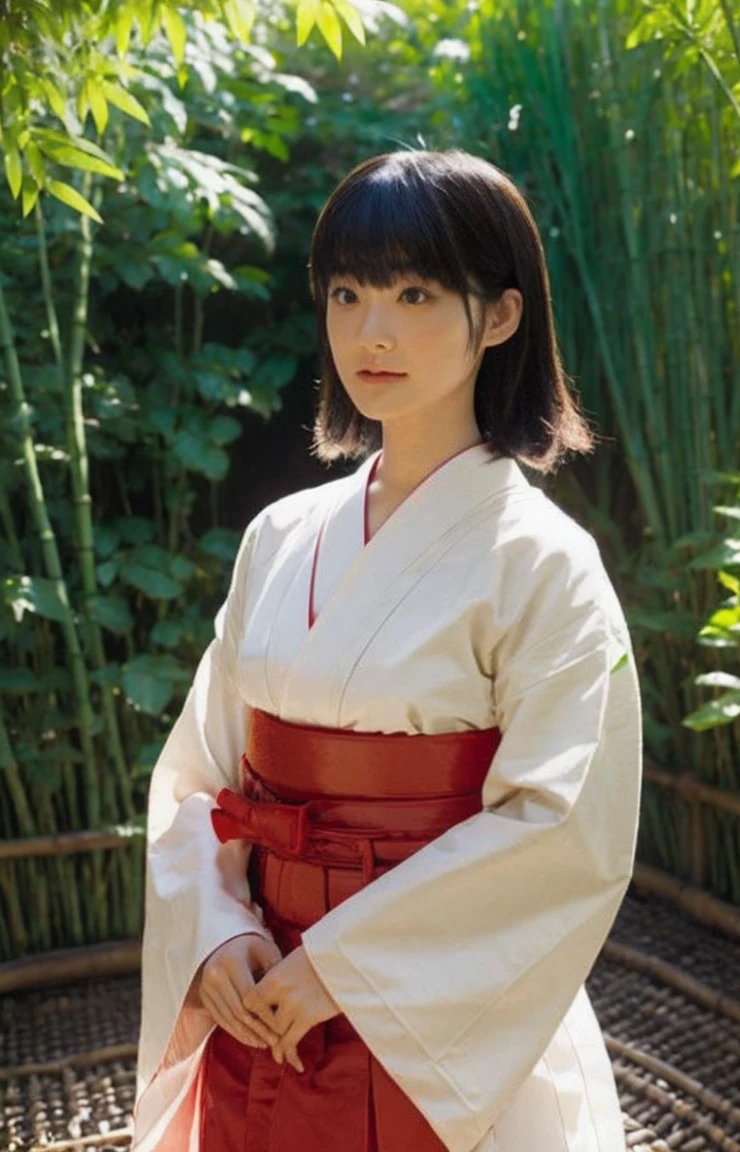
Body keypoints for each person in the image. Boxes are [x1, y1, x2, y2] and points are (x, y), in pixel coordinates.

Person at [132, 149, 642, 1152]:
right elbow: (199, 773)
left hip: (434, 1017)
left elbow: (559, 827)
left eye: (415, 293)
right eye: (348, 293)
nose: (373, 331)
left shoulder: (545, 563)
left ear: (498, 316)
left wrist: (343, 968)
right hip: (261, 990)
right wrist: (221, 931)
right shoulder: (281, 537)